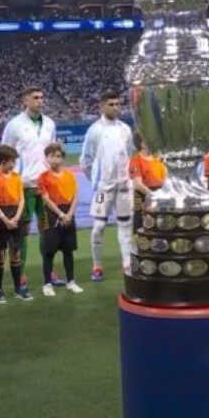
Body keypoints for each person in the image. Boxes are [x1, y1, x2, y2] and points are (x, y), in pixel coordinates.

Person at [0, 86, 59, 286]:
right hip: (24, 186)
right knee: (22, 233)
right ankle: (20, 272)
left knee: (47, 231)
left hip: (45, 186)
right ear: (25, 100)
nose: (40, 101)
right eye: (35, 98)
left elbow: (53, 152)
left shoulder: (50, 124)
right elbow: (4, 153)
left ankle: (49, 270)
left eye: (42, 97)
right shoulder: (14, 125)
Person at [80, 90, 134, 281]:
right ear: (102, 106)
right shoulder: (95, 130)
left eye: (118, 104)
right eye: (111, 104)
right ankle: (97, 266)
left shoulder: (125, 129)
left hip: (124, 187)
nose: (116, 107)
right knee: (98, 227)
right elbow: (86, 160)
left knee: (126, 225)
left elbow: (130, 155)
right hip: (104, 188)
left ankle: (127, 263)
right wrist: (96, 181)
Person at [0, 144, 32, 302]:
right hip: (0, 218)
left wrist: (17, 217)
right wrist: (4, 218)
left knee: (15, 254)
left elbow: (21, 198)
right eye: (12, 161)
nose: (14, 164)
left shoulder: (16, 177)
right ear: (3, 161)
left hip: (15, 216)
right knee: (0, 255)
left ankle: (18, 288)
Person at [38, 143, 83, 297]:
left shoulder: (70, 175)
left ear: (63, 158)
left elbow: (76, 196)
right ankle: (47, 283)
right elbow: (45, 199)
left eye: (58, 156)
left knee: (68, 251)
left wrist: (69, 214)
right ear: (47, 158)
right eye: (52, 156)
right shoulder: (43, 177)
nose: (55, 159)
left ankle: (71, 281)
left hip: (69, 214)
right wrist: (60, 215)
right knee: (48, 252)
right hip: (52, 215)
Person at [128, 132, 166, 234]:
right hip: (144, 197)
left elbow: (165, 177)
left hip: (160, 194)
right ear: (142, 144)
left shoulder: (158, 158)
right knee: (142, 229)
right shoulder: (136, 160)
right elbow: (137, 184)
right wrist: (152, 195)